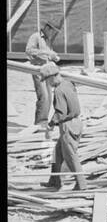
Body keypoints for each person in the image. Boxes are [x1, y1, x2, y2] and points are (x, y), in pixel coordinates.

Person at [40, 62, 87, 192]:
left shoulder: (59, 90)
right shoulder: (68, 83)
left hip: (68, 125)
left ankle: (81, 185)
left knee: (71, 156)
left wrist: (50, 125)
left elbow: (61, 113)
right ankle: (54, 181)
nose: (47, 83)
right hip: (75, 122)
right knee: (57, 154)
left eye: (47, 80)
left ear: (52, 77)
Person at [25, 20, 60, 125]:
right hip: (38, 70)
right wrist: (46, 53)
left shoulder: (48, 40)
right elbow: (29, 51)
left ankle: (43, 122)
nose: (53, 34)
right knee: (43, 96)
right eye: (53, 31)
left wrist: (53, 56)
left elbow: (48, 54)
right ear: (48, 28)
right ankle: (39, 123)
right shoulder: (35, 37)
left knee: (49, 97)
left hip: (47, 70)